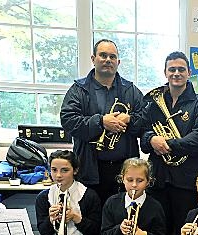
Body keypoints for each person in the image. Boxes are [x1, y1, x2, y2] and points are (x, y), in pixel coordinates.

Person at [139, 51, 198, 235]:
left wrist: (168, 143)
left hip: (186, 181)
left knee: (182, 229)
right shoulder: (153, 103)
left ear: (189, 72)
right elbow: (143, 132)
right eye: (172, 69)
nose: (176, 73)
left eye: (181, 69)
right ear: (165, 72)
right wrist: (151, 139)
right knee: (157, 227)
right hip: (159, 178)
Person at [61, 39, 144, 205]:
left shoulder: (130, 90)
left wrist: (129, 119)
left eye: (112, 57)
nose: (108, 60)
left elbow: (146, 120)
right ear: (93, 59)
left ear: (118, 62)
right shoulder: (79, 89)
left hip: (124, 170)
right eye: (103, 55)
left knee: (121, 218)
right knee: (92, 218)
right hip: (90, 169)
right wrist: (101, 122)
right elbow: (68, 120)